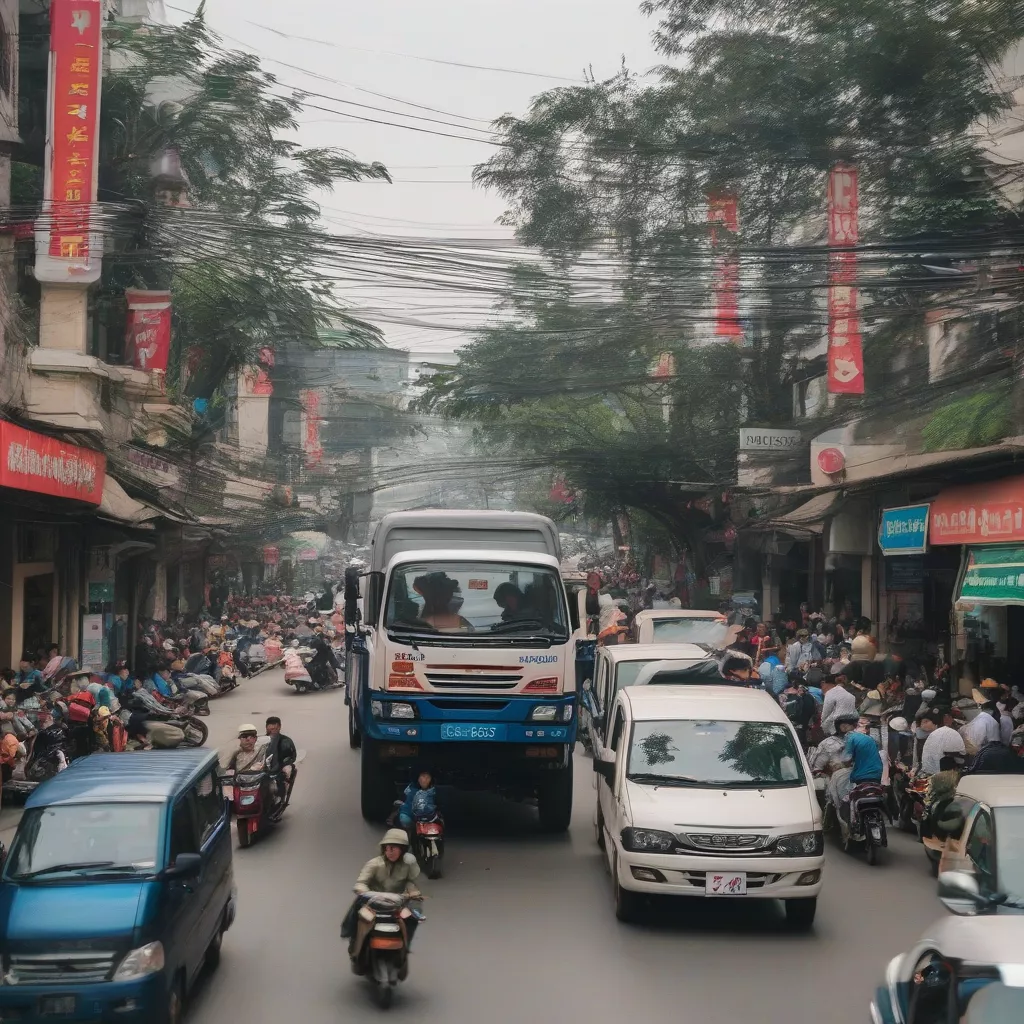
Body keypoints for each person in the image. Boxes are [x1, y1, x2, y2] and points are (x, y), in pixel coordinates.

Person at [342, 828, 422, 958]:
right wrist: (364, 891)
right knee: (356, 909)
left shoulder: (409, 864)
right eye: (387, 848)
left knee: (413, 916)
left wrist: (413, 892)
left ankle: (406, 944)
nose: (389, 852)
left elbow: (411, 881)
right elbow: (361, 882)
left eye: (393, 848)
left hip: (397, 902)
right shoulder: (374, 864)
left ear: (402, 849)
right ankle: (353, 938)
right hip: (373, 901)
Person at [827, 712, 883, 812]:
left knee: (849, 799)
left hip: (862, 776)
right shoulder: (868, 738)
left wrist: (839, 764)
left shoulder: (850, 738)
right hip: (877, 774)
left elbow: (846, 759)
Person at [918, 709, 966, 777]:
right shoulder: (947, 732)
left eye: (926, 721)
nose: (923, 725)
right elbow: (960, 755)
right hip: (941, 771)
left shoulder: (936, 733)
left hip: (931, 771)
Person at [265, 716, 297, 802]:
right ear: (266, 727)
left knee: (286, 772)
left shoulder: (286, 741)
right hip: (263, 768)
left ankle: (280, 797)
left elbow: (292, 756)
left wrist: (283, 764)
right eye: (270, 729)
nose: (272, 731)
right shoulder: (261, 741)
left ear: (279, 727)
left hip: (279, 768)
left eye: (275, 728)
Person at [398, 770, 438, 837]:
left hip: (429, 817)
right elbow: (405, 803)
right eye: (423, 776)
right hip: (410, 816)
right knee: (405, 820)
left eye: (428, 777)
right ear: (418, 778)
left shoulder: (433, 791)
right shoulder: (411, 790)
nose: (425, 779)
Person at [820, 666, 858, 736]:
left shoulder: (830, 693)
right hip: (850, 723)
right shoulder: (851, 694)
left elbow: (826, 711)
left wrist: (822, 723)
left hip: (836, 725)